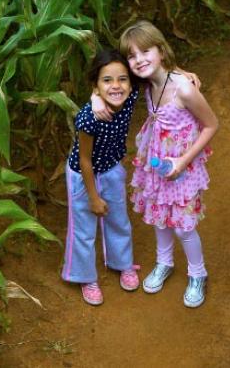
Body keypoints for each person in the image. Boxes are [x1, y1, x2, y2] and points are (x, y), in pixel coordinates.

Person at [94, 20, 218, 308]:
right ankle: (165, 262)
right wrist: (94, 96)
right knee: (159, 217)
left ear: (161, 51)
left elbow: (211, 124)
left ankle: (197, 274)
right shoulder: (148, 84)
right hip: (157, 164)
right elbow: (109, 76)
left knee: (183, 227)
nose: (139, 60)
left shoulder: (184, 89)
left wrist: (182, 161)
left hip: (182, 168)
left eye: (145, 52)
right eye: (132, 56)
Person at [62, 49, 140, 306]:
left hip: (111, 168)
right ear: (95, 84)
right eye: (106, 80)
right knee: (84, 227)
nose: (116, 86)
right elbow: (85, 160)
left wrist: (187, 74)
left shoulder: (128, 99)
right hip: (83, 174)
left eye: (122, 79)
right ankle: (85, 277)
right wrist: (93, 197)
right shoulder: (89, 118)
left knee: (118, 216)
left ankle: (123, 263)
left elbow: (155, 73)